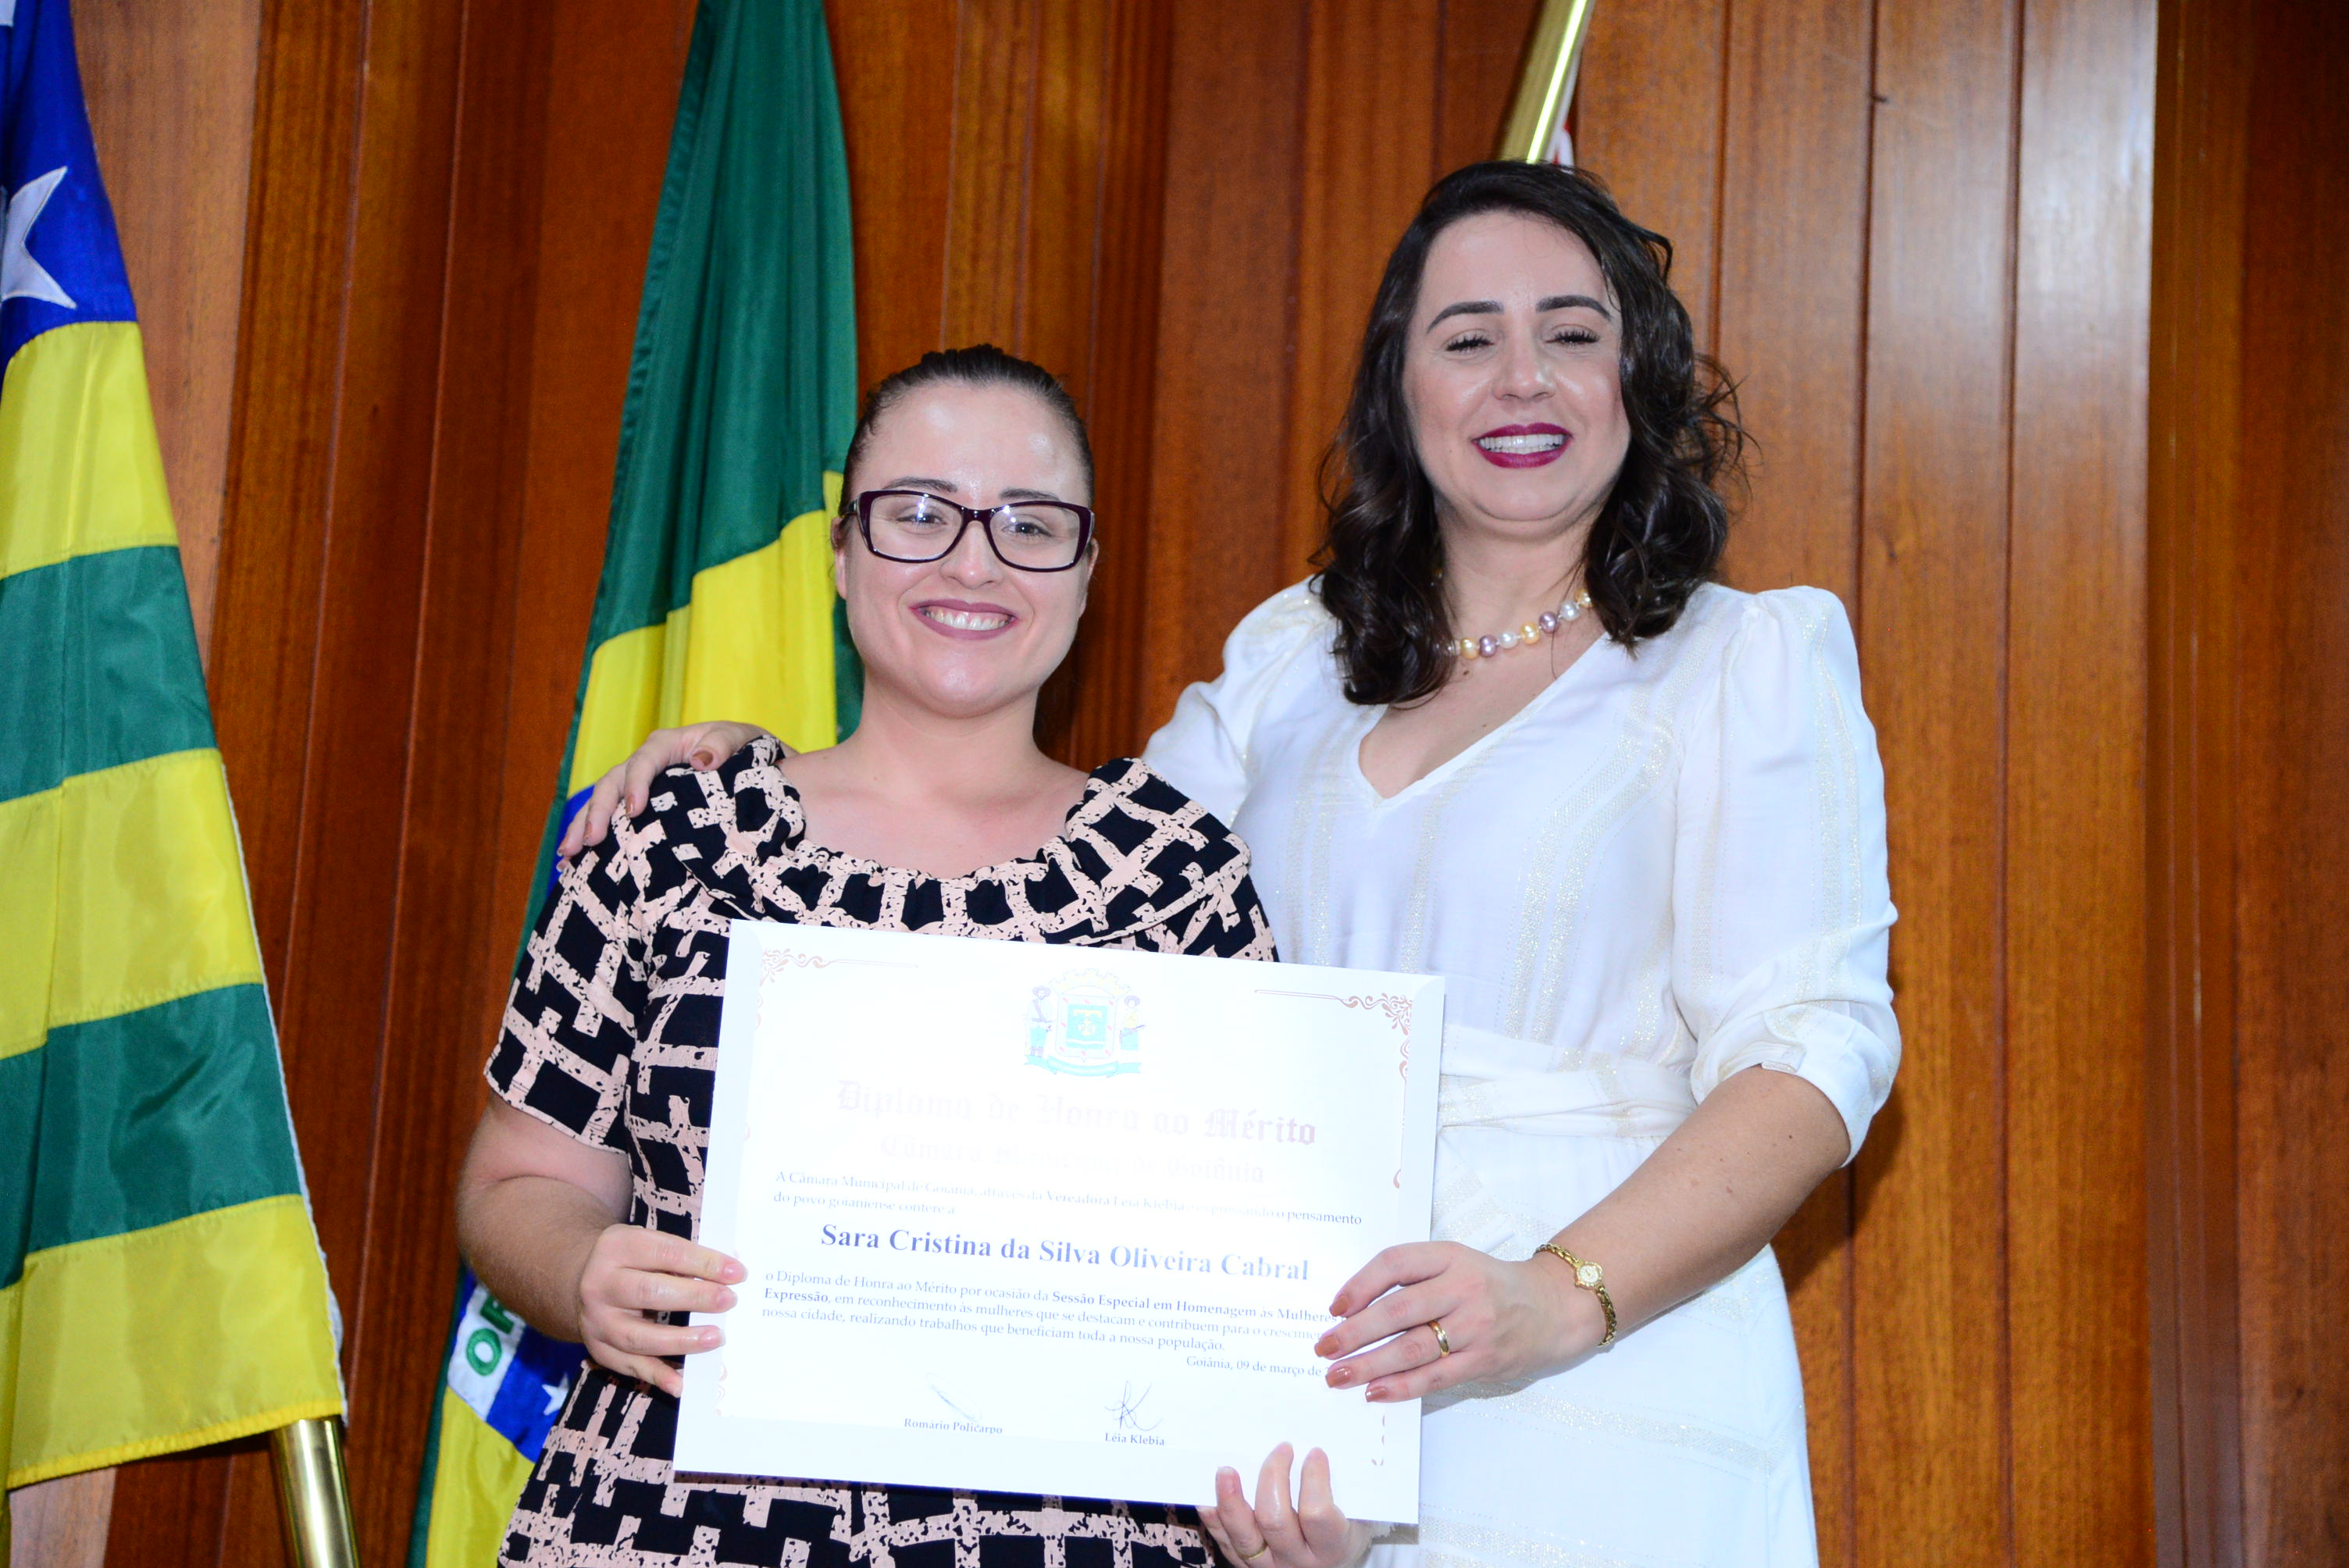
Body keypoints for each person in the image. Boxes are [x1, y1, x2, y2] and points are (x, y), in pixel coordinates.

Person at [571, 163, 1898, 1566]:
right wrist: (783, 780)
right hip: (1288, 1383)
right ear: (1398, 389)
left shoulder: (1748, 661)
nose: (1524, 376)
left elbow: (1814, 1054)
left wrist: (1557, 1296)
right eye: (1468, 337)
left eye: (1573, 333)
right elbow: (1052, 886)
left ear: (1641, 376)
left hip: (1606, 1377)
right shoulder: (1291, 660)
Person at [458, 345, 1306, 1567]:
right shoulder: (676, 837)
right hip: (679, 1521)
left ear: (1085, 573)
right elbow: (513, 1187)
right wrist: (584, 1269)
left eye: (1030, 523)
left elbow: (1251, 1268)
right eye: (918, 514)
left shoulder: (1177, 878)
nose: (974, 561)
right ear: (842, 553)